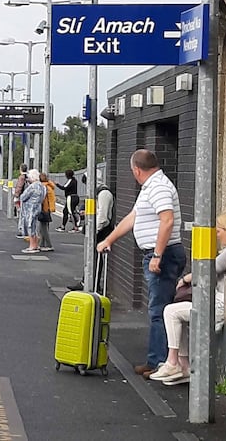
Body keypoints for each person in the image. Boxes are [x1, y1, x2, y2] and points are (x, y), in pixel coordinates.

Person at [96, 149, 185, 379]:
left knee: (159, 310)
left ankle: (163, 362)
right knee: (157, 309)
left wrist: (157, 255)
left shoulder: (160, 187)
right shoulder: (150, 188)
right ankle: (157, 360)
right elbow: (133, 217)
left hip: (163, 256)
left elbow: (167, 221)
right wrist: (109, 239)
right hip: (158, 255)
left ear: (136, 170)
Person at [150, 214, 226, 386]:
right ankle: (184, 365)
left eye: (219, 231)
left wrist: (185, 279)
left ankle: (174, 362)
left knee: (170, 311)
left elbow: (209, 269)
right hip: (217, 301)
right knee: (178, 314)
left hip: (219, 305)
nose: (217, 235)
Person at [18, 169, 45, 254]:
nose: (28, 179)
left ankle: (32, 246)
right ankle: (36, 245)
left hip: (30, 209)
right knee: (35, 227)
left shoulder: (32, 186)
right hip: (38, 207)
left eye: (29, 177)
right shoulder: (42, 186)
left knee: (30, 227)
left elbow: (23, 197)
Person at [38, 173, 56, 252]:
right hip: (48, 209)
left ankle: (49, 245)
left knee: (43, 228)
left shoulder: (43, 187)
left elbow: (42, 199)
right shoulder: (49, 186)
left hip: (44, 209)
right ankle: (42, 244)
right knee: (43, 227)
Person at [13, 164, 29, 239]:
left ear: (21, 169)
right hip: (28, 198)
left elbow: (19, 187)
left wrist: (16, 196)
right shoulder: (29, 177)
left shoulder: (21, 177)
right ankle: (27, 230)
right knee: (27, 215)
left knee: (22, 215)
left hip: (22, 197)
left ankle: (22, 231)